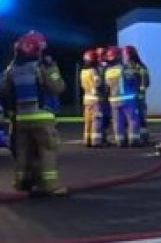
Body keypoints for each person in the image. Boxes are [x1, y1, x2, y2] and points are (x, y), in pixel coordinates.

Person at [0, 31, 67, 195]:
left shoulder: (12, 68)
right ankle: (50, 186)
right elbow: (57, 87)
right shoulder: (41, 66)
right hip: (42, 116)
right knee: (47, 150)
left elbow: (4, 90)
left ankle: (22, 184)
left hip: (20, 118)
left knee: (23, 152)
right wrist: (52, 69)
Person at [102, 47, 138, 148]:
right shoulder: (124, 68)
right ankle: (134, 140)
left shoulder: (108, 71)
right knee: (132, 119)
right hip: (126, 99)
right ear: (118, 56)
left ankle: (120, 141)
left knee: (117, 121)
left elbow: (107, 86)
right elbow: (132, 80)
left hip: (113, 100)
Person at [123, 45, 151, 145]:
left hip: (138, 97)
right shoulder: (124, 67)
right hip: (128, 98)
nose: (125, 56)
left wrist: (141, 92)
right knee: (129, 118)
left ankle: (144, 138)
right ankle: (131, 137)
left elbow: (145, 81)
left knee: (141, 118)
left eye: (126, 54)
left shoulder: (140, 66)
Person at [79, 49, 106, 147]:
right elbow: (98, 83)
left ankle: (87, 140)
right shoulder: (93, 71)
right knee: (96, 120)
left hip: (86, 99)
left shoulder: (83, 71)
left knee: (88, 121)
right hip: (95, 99)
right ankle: (96, 141)